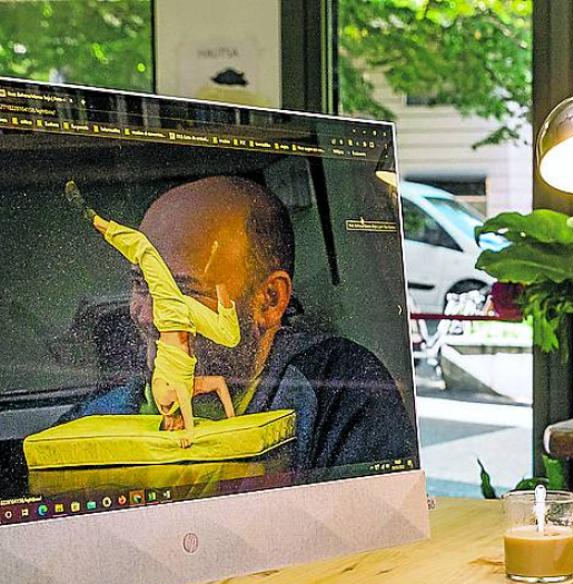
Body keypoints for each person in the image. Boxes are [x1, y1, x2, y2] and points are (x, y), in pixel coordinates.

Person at [60, 175, 418, 470]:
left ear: (270, 300)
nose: (147, 315)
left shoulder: (340, 389)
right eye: (140, 284)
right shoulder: (100, 414)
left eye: (183, 291)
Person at [66, 181, 241, 448]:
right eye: (137, 284)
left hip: (174, 315)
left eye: (188, 286)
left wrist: (190, 434)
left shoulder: (165, 398)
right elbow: (214, 385)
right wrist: (227, 422)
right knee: (229, 336)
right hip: (185, 318)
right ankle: (219, 280)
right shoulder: (187, 392)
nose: (146, 317)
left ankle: (96, 220)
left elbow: (182, 395)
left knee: (145, 251)